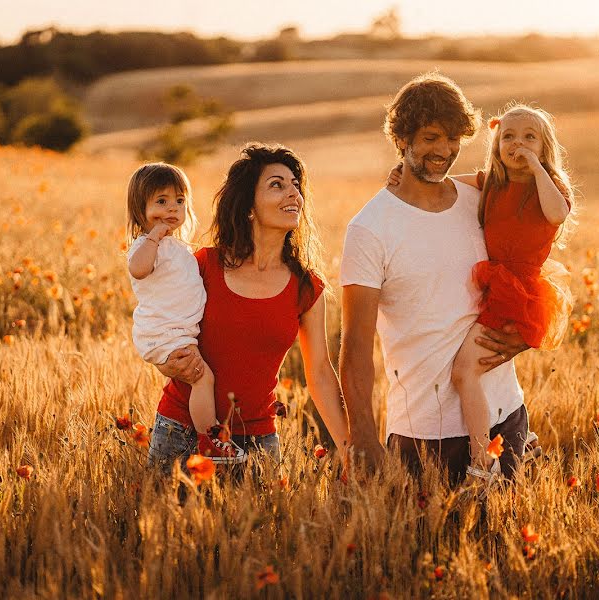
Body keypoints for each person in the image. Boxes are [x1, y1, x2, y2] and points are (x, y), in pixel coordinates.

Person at [340, 72, 534, 483]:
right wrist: (362, 435)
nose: (444, 151)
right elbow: (356, 345)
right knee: (427, 544)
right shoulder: (370, 228)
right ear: (402, 140)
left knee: (504, 543)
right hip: (427, 430)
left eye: (452, 138)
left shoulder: (478, 202)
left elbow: (531, 262)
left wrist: (525, 334)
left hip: (506, 412)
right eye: (430, 137)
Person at [386, 104, 575, 480]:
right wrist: (406, 176)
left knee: (464, 371)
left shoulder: (548, 186)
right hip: (495, 285)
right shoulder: (493, 183)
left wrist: (537, 167)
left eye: (528, 137)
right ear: (496, 143)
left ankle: (481, 458)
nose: (517, 143)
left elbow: (557, 213)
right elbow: (445, 182)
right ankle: (522, 438)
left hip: (517, 292)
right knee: (482, 363)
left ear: (544, 146)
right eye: (508, 136)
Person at [146, 144, 350, 473]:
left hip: (257, 441)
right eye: (276, 185)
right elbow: (159, 321)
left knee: (255, 527)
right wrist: (166, 362)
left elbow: (321, 374)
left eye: (295, 185)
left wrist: (347, 447)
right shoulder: (203, 266)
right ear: (249, 206)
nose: (293, 194)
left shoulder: (307, 287)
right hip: (182, 429)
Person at [125, 163, 245, 463]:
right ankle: (210, 440)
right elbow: (138, 269)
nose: (172, 208)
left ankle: (208, 437)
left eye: (180, 201)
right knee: (202, 379)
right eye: (161, 201)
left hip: (177, 332)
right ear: (140, 208)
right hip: (165, 334)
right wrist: (154, 236)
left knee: (200, 378)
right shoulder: (146, 245)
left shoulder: (175, 247)